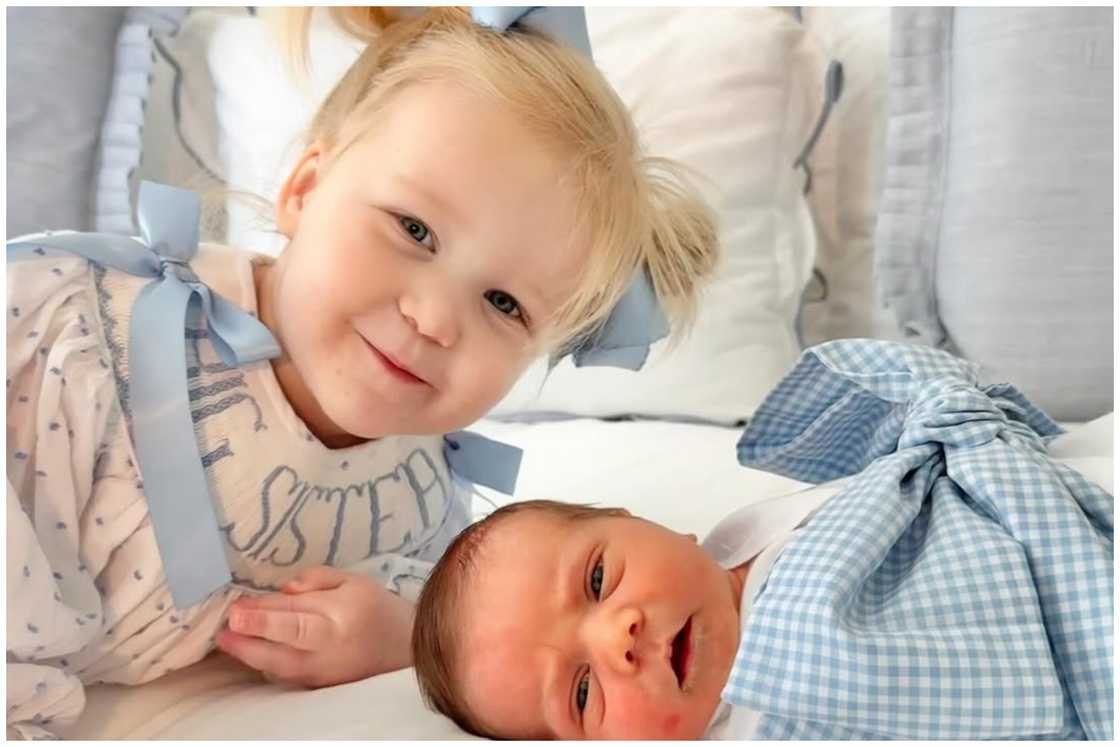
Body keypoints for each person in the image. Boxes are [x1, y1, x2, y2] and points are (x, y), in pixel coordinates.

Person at [5, 6, 718, 738]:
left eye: (505, 303)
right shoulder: (87, 343)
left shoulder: (419, 484)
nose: (436, 318)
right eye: (414, 230)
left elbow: (457, 607)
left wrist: (394, 634)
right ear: (305, 189)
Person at [409, 340, 1114, 741]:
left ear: (636, 522)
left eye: (597, 580)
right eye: (583, 691)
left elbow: (908, 490)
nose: (617, 638)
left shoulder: (770, 527)